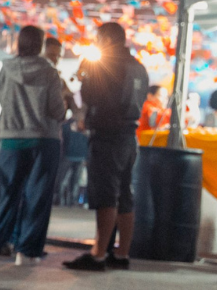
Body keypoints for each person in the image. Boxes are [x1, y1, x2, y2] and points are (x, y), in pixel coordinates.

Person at [63, 22, 150, 272]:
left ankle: (98, 254)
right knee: (124, 193)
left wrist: (85, 75)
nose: (96, 43)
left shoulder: (107, 65)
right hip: (129, 135)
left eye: (98, 38)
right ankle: (122, 254)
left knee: (106, 194)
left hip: (108, 136)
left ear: (108, 40)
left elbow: (91, 97)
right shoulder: (139, 67)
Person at [0, 26, 66, 265]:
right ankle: (27, 252)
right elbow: (56, 110)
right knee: (37, 196)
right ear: (40, 45)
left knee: (8, 194)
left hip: (10, 139)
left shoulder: (6, 69)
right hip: (43, 139)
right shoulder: (49, 72)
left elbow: (1, 98)